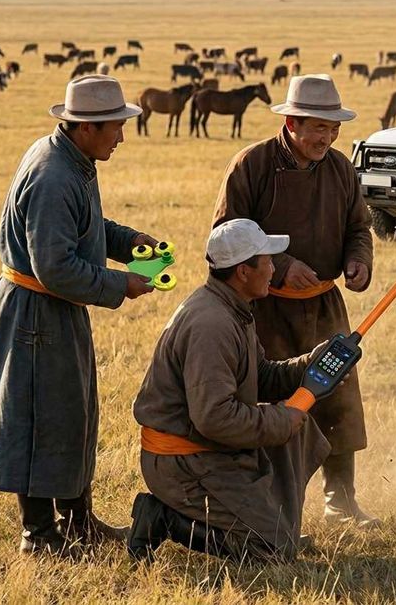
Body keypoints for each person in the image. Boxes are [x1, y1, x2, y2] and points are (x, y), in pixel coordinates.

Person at [0, 75, 159, 557]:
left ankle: (77, 522)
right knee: (41, 419)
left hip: (55, 311)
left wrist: (127, 243)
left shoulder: (70, 160)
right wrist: (122, 283)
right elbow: (55, 267)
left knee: (71, 414)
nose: (122, 136)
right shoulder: (54, 175)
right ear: (85, 128)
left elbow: (84, 226)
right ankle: (38, 536)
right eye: (115, 127)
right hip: (36, 314)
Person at [212, 74, 377, 526]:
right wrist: (282, 266)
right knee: (274, 401)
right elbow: (225, 236)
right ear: (291, 123)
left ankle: (340, 500)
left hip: (324, 304)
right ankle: (269, 504)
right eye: (318, 127)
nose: (327, 137)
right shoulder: (251, 165)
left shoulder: (342, 168)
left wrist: (358, 261)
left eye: (333, 128)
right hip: (264, 308)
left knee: (338, 397)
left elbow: (358, 228)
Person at [128, 219, 331, 562]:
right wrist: (282, 418)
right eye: (266, 261)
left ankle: (267, 523)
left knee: (299, 429)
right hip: (184, 462)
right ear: (242, 272)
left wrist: (311, 363)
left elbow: (261, 376)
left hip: (206, 450)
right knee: (274, 551)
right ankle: (163, 518)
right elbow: (215, 418)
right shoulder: (213, 324)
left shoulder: (232, 307)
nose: (272, 268)